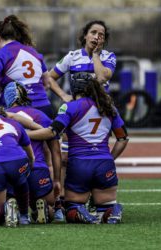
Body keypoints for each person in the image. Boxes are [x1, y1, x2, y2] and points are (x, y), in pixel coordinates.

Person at [26, 73, 128, 224]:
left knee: (72, 207)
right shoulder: (108, 107)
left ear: (74, 88)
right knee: (105, 207)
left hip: (79, 164)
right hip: (104, 163)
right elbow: (123, 139)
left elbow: (52, 132)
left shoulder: (70, 107)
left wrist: (25, 134)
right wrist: (109, 158)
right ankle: (112, 211)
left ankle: (79, 211)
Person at [48, 20, 116, 218]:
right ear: (85, 35)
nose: (97, 37)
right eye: (93, 32)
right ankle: (63, 202)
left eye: (101, 34)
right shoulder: (72, 57)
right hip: (76, 111)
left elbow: (102, 77)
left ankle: (97, 197)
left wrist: (95, 55)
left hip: (99, 111)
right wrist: (63, 96)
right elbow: (50, 77)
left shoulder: (107, 57)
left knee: (97, 153)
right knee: (65, 157)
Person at [0, 15, 54, 119]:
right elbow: (47, 84)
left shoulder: (1, 54)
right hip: (44, 107)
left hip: (20, 110)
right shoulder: (33, 52)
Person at [4, 82, 61, 223]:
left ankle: (13, 206)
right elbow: (56, 151)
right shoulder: (41, 116)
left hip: (12, 170)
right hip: (37, 169)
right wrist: (57, 180)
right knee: (50, 210)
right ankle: (42, 208)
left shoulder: (2, 117)